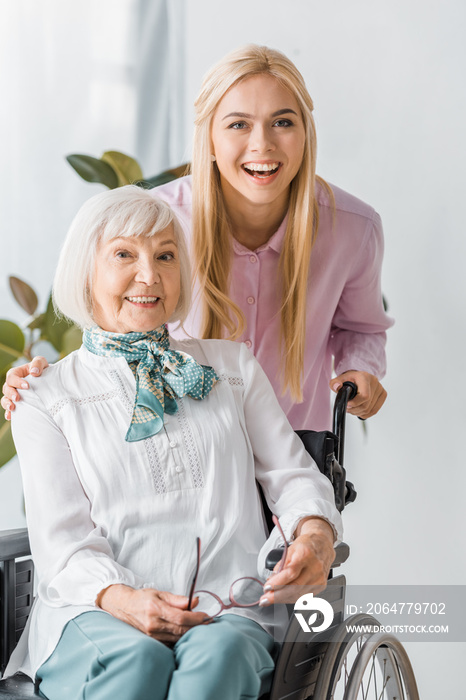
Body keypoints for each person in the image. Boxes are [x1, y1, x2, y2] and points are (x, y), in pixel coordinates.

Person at [5, 186, 342, 700]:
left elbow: (294, 477)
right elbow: (64, 543)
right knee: (136, 660)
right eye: (124, 254)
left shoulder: (231, 369)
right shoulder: (43, 395)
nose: (149, 275)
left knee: (220, 659)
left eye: (165, 256)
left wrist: (315, 532)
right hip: (94, 611)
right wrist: (124, 600)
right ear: (85, 270)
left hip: (228, 607)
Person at [2, 44, 393, 430]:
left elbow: (361, 325)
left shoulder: (354, 228)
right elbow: (110, 330)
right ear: (209, 139)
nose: (262, 144)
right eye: (238, 124)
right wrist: (49, 383)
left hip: (298, 454)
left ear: (305, 134)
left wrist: (360, 369)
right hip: (183, 457)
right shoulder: (157, 222)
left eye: (283, 122)